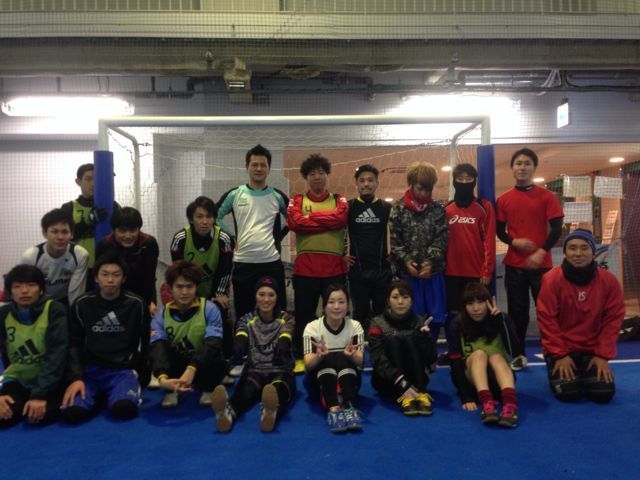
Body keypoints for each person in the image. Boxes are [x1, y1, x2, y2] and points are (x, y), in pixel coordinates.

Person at [536, 228, 624, 404]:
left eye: (584, 248)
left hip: (592, 350)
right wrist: (560, 355)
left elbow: (613, 320)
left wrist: (602, 355)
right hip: (562, 349)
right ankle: (563, 367)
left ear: (593, 252)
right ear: (565, 252)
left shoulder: (609, 281)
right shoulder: (551, 280)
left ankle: (584, 369)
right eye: (572, 248)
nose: (578, 253)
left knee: (603, 393)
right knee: (569, 393)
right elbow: (546, 320)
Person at [496, 148, 564, 371]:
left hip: (542, 266)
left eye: (527, 163)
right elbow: (500, 231)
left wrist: (541, 251)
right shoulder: (504, 200)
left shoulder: (547, 197)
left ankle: (553, 352)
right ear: (512, 168)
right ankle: (518, 353)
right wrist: (514, 242)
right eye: (518, 163)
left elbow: (556, 229)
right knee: (518, 313)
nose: (522, 167)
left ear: (534, 168)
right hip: (515, 265)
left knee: (548, 311)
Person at [61, 254, 149, 423]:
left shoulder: (136, 304)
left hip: (122, 371)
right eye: (105, 274)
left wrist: (143, 373)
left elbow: (145, 340)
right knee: (73, 413)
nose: (110, 280)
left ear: (123, 279)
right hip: (90, 371)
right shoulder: (81, 304)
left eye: (116, 275)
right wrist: (76, 377)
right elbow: (74, 343)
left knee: (124, 409)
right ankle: (101, 395)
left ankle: (114, 395)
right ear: (96, 277)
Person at [286, 154, 349, 372]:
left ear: (327, 175)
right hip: (305, 270)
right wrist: (327, 220)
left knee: (337, 314)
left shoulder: (339, 199)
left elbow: (340, 219)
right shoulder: (297, 200)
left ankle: (341, 354)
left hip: (334, 269)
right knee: (304, 316)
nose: (317, 177)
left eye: (321, 172)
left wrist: (310, 219)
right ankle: (302, 356)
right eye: (312, 173)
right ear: (306, 177)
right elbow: (294, 222)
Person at [212, 276, 295, 433]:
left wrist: (284, 342)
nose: (266, 299)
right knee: (245, 391)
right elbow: (241, 332)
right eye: (261, 294)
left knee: (279, 390)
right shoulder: (246, 319)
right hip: (255, 370)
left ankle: (270, 413)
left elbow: (287, 332)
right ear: (255, 296)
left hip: (280, 370)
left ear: (277, 297)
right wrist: (239, 342)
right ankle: (228, 413)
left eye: (271, 295)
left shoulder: (286, 318)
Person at [216, 144, 289, 319]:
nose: (259, 168)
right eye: (254, 164)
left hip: (271, 263)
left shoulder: (277, 196)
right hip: (243, 264)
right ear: (246, 167)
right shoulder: (235, 194)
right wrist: (231, 237)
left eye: (263, 165)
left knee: (278, 314)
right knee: (244, 314)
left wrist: (277, 236)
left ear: (269, 168)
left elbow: (294, 219)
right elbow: (215, 217)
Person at [149, 260, 227, 408]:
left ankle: (209, 388)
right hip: (177, 365)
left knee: (216, 354)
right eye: (179, 287)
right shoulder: (161, 314)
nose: (184, 292)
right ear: (170, 288)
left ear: (196, 287)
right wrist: (162, 378)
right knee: (158, 348)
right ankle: (171, 388)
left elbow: (213, 343)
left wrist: (192, 368)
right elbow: (157, 348)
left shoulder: (210, 309)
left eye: (189, 286)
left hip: (202, 365)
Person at [0, 265, 68, 427]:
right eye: (17, 286)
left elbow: (57, 354)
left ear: (41, 289)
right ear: (10, 291)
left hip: (51, 381)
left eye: (31, 285)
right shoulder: (3, 314)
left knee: (41, 417)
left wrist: (39, 395)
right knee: (4, 417)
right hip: (18, 379)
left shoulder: (55, 309)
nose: (24, 291)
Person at [442, 163, 496, 364]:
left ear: (474, 181)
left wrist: (487, 270)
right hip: (451, 273)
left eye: (469, 179)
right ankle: (454, 353)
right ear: (454, 181)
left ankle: (477, 352)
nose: (464, 182)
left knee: (477, 313)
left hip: (476, 273)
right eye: (460, 179)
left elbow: (489, 241)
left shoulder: (484, 207)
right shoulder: (446, 209)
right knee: (453, 314)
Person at [389, 162, 448, 340]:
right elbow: (395, 242)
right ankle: (413, 352)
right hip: (408, 275)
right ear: (411, 184)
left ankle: (430, 351)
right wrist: (407, 262)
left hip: (433, 274)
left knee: (435, 317)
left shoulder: (438, 209)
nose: (423, 193)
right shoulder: (398, 208)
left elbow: (441, 238)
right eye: (420, 188)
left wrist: (430, 263)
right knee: (411, 317)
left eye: (428, 189)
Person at [170, 196, 234, 355]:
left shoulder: (224, 239)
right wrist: (189, 295)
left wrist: (219, 294)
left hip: (214, 291)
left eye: (209, 217)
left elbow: (225, 271)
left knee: (220, 310)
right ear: (191, 219)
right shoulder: (180, 239)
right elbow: (178, 272)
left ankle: (224, 357)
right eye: (199, 217)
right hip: (188, 291)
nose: (204, 221)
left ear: (214, 219)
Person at [450, 283, 520, 428]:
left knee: (495, 357)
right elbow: (455, 363)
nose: (476, 308)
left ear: (488, 302)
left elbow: (515, 352)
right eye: (470, 303)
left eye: (480, 302)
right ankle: (487, 405)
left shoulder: (501, 319)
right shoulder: (457, 324)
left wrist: (501, 322)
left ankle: (510, 405)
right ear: (464, 306)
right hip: (474, 385)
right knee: (479, 354)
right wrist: (466, 396)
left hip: (500, 382)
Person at [368, 280, 437, 416]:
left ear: (411, 301)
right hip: (388, 380)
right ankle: (404, 395)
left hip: (417, 378)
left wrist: (425, 340)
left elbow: (432, 360)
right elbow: (377, 359)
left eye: (405, 297)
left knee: (411, 339)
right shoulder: (377, 322)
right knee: (393, 340)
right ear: (388, 301)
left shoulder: (421, 321)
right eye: (395, 297)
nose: (400, 302)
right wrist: (402, 383)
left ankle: (421, 392)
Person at [303, 284, 364, 433]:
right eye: (331, 302)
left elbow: (360, 362)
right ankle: (334, 408)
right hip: (319, 380)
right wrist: (319, 356)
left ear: (348, 305)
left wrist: (352, 355)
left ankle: (349, 407)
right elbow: (308, 366)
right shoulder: (312, 327)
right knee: (329, 357)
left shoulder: (355, 326)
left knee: (342, 356)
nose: (336, 307)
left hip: (349, 378)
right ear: (324, 306)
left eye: (341, 302)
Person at [345, 164, 392, 333]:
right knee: (360, 313)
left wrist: (394, 252)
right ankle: (358, 348)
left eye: (370, 180)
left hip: (382, 271)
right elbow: (339, 232)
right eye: (362, 180)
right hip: (357, 271)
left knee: (382, 314)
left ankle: (381, 348)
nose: (366, 184)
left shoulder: (386, 207)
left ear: (377, 183)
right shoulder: (349, 207)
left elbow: (397, 231)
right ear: (357, 184)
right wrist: (342, 254)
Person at [96, 206, 159, 315]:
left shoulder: (149, 244)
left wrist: (150, 301)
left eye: (133, 230)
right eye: (122, 231)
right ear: (114, 230)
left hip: (141, 291)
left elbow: (149, 277)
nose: (128, 236)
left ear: (139, 229)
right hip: (113, 293)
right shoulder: (105, 245)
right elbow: (101, 277)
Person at [21, 208, 89, 306]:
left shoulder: (80, 255)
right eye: (54, 232)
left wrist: (73, 313)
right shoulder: (30, 257)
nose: (60, 237)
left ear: (72, 234)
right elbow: (26, 290)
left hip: (64, 301)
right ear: (44, 233)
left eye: (65, 232)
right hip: (38, 302)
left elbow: (75, 293)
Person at [61, 163, 118, 272]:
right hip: (78, 267)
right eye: (88, 179)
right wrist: (87, 222)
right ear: (78, 181)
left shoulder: (112, 206)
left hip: (108, 267)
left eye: (97, 179)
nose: (93, 183)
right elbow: (63, 237)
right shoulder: (69, 207)